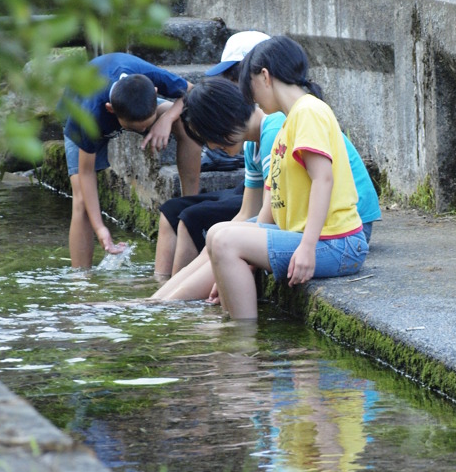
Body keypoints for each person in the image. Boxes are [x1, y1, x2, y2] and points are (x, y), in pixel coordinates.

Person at [157, 36, 372, 318]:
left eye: (251, 89)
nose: (251, 99)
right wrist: (228, 271)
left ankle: (242, 338)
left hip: (337, 244)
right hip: (318, 240)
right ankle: (219, 320)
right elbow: (265, 213)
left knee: (225, 241)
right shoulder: (287, 122)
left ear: (265, 76)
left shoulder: (308, 112)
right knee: (220, 233)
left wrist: (307, 248)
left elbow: (323, 180)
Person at [62, 52, 202, 268]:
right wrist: (101, 228)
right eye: (137, 130)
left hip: (131, 102)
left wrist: (167, 119)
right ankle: (81, 282)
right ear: (111, 110)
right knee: (80, 200)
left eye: (148, 125)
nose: (145, 132)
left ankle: (191, 205)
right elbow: (86, 173)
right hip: (77, 111)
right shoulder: (90, 113)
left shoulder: (149, 76)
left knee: (187, 122)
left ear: (155, 92)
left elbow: (192, 92)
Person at [153, 31, 270, 278]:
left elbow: (267, 214)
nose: (230, 85)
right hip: (256, 194)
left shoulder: (273, 122)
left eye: (234, 76)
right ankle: (163, 289)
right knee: (173, 209)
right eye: (227, 78)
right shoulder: (251, 138)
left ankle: (170, 298)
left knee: (193, 217)